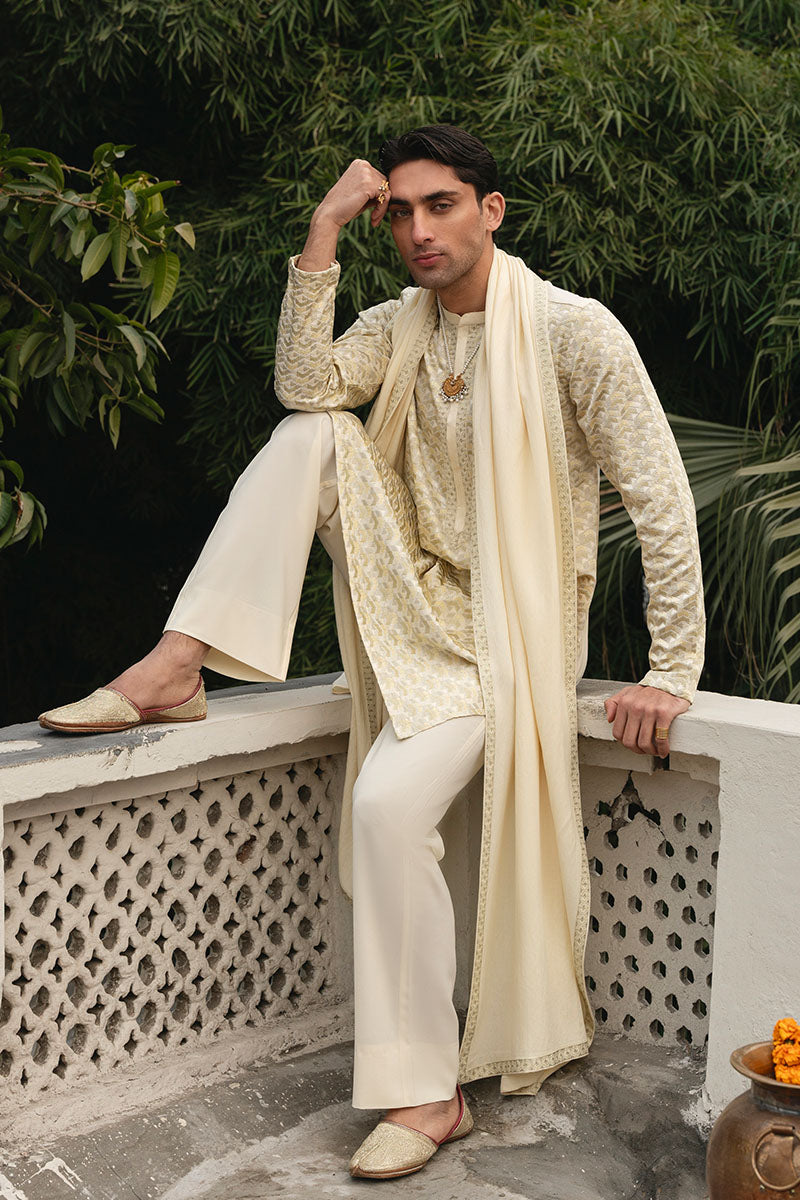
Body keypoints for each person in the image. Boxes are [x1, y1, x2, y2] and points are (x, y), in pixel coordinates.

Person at [39, 125, 705, 1181]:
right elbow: (305, 384)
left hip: (509, 637)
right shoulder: (397, 324)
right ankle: (178, 663)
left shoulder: (573, 333)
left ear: (490, 211)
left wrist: (670, 672)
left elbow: (660, 502)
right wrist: (322, 231)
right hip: (408, 592)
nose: (419, 230)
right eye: (400, 212)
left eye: (441, 205)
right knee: (310, 433)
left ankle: (427, 1095)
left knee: (388, 810)